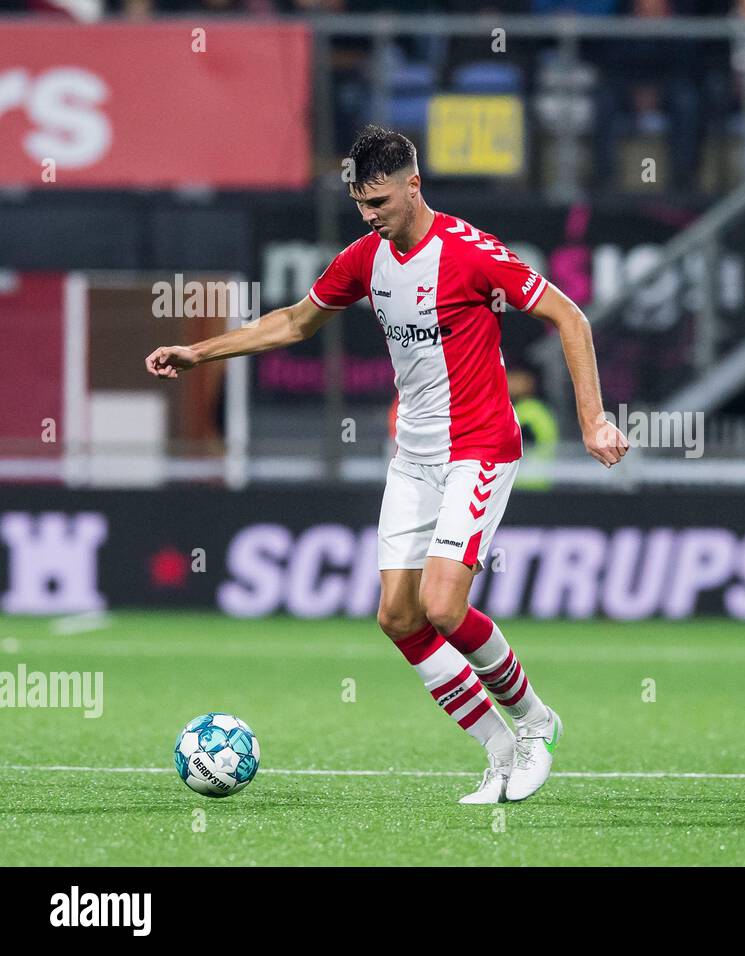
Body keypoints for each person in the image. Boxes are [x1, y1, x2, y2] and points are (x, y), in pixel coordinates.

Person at [146, 125, 629, 804]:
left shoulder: (471, 253)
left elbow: (569, 317)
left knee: (442, 605)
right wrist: (202, 353)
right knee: (398, 618)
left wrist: (593, 421)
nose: (368, 215)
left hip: (479, 447)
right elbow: (293, 322)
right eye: (359, 203)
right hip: (413, 459)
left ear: (413, 185)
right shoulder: (363, 259)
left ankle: (534, 722)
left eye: (378, 201)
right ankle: (496, 749)